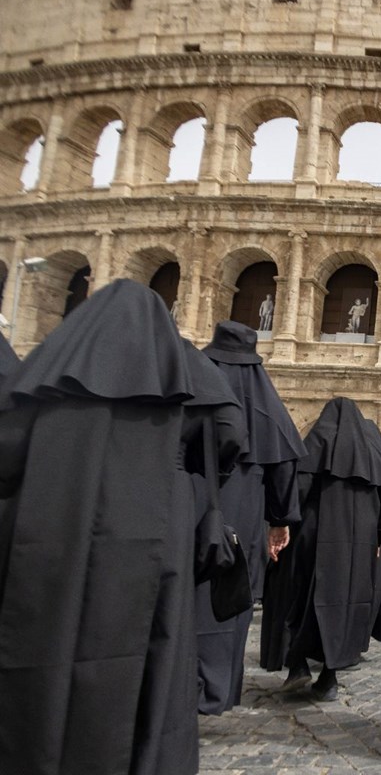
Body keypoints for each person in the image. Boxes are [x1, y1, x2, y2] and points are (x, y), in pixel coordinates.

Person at [0, 280, 245, 775]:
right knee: (153, 651)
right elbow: (229, 438)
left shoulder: (47, 371)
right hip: (155, 527)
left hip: (51, 530)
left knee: (44, 643)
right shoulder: (180, 375)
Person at [196, 321, 305, 715]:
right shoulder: (263, 402)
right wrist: (280, 520)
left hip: (189, 503)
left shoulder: (193, 383)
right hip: (243, 511)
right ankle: (217, 688)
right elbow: (283, 464)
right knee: (230, 595)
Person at [274, 397, 381, 701]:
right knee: (345, 605)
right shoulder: (374, 453)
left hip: (316, 537)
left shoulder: (319, 439)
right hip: (360, 544)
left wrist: (283, 521)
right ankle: (329, 677)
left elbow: (300, 485)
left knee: (303, 597)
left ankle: (298, 663)